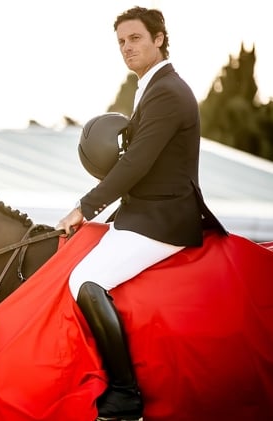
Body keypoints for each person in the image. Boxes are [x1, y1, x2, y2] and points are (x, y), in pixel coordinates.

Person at [55, 6, 227, 421]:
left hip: (164, 219)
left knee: (86, 278)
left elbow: (136, 164)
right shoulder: (150, 87)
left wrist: (85, 207)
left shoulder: (168, 91)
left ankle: (124, 392)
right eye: (121, 42)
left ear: (159, 38)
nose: (127, 48)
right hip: (142, 212)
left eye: (134, 39)